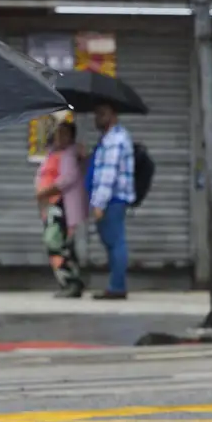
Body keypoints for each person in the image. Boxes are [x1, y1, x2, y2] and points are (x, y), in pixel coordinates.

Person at [86, 103, 135, 300]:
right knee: (112, 242)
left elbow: (108, 174)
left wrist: (99, 203)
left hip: (112, 199)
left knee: (115, 243)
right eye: (97, 113)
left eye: (102, 114)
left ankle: (117, 287)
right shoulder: (110, 138)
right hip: (112, 199)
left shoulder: (115, 139)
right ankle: (117, 284)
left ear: (113, 116)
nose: (97, 118)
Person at [35, 122, 87, 298]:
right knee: (55, 243)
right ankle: (66, 282)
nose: (60, 137)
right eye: (58, 134)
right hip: (49, 206)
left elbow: (68, 178)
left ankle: (71, 282)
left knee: (57, 243)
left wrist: (46, 191)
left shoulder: (71, 154)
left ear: (71, 137)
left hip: (61, 206)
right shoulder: (51, 153)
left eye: (64, 134)